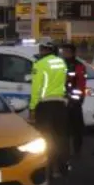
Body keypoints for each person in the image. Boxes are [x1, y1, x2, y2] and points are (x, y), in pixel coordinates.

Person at [29, 42, 70, 177]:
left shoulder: (39, 64)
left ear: (43, 50)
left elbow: (36, 88)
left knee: (46, 137)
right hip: (60, 103)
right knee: (61, 136)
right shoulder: (61, 63)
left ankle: (50, 168)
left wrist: (32, 107)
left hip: (45, 105)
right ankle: (62, 166)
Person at [60, 43, 86, 158]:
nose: (65, 53)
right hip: (63, 100)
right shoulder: (60, 64)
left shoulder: (78, 66)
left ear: (73, 53)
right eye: (64, 51)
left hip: (74, 102)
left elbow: (81, 85)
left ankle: (77, 151)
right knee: (63, 129)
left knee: (77, 128)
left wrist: (76, 100)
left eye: (67, 51)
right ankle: (65, 151)